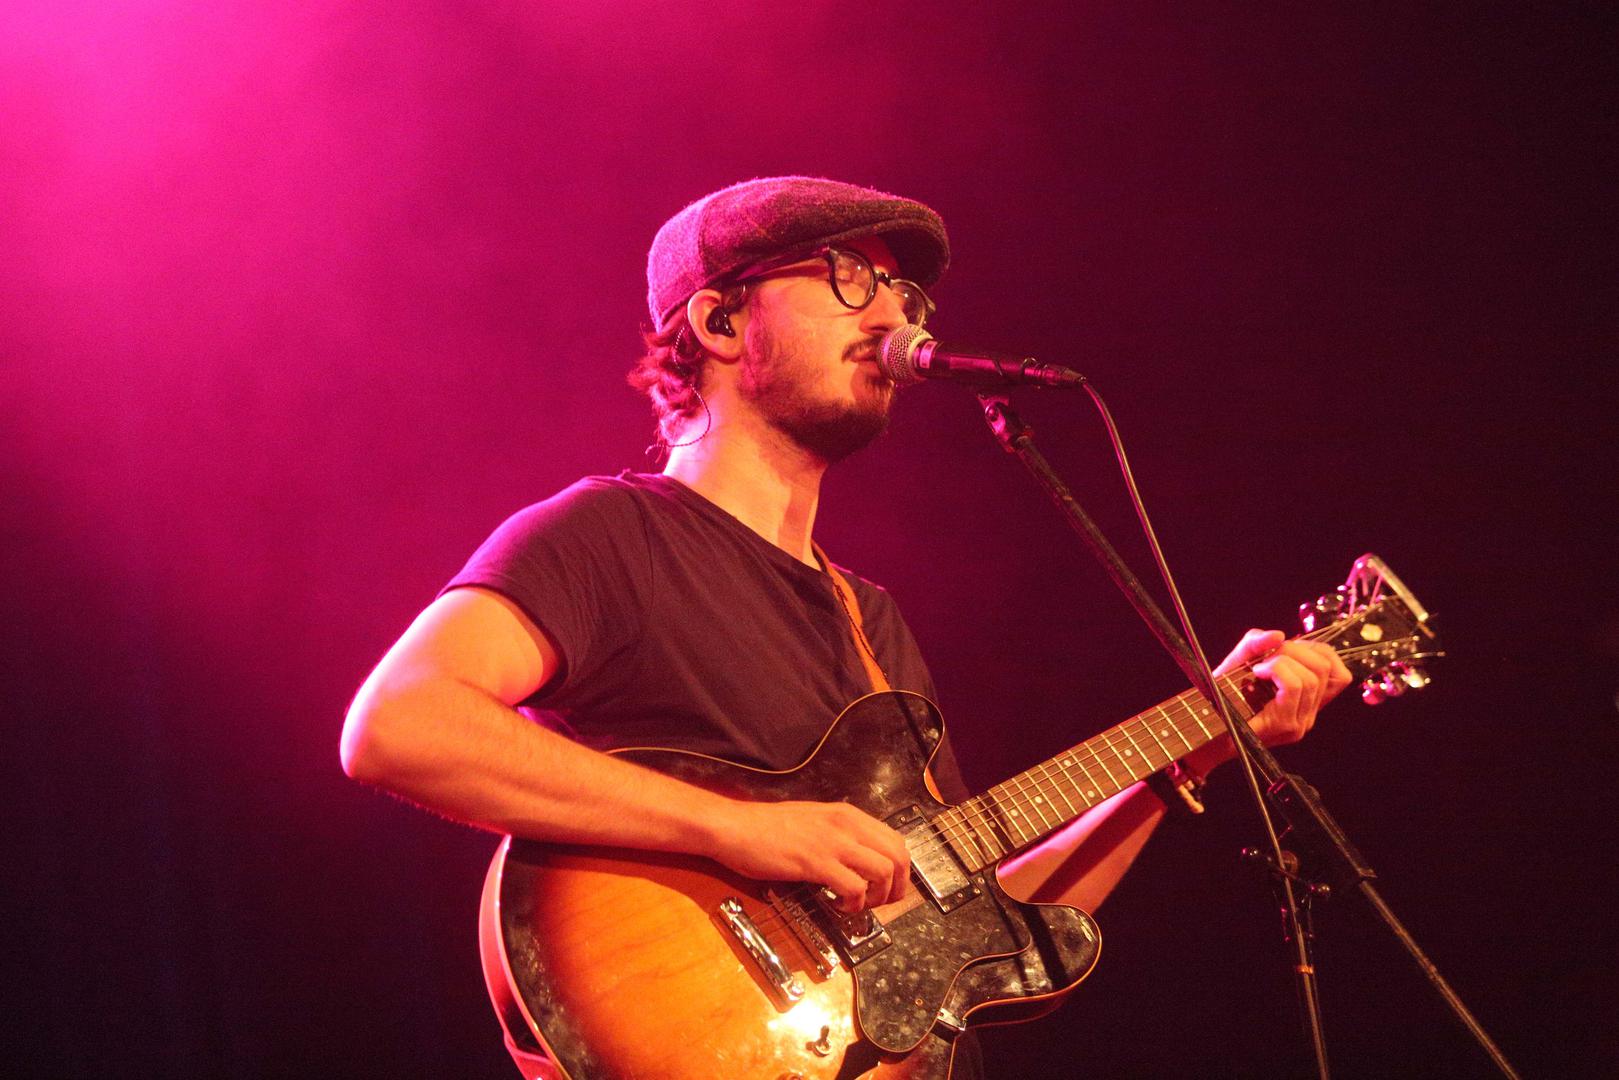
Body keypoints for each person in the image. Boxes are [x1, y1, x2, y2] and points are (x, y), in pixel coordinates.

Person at [339, 176, 1352, 1078]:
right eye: (847, 278)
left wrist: (1194, 749)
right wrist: (741, 828)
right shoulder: (610, 535)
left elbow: (974, 926)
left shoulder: (871, 619)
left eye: (904, 292)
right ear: (720, 321)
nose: (893, 313)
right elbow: (399, 726)